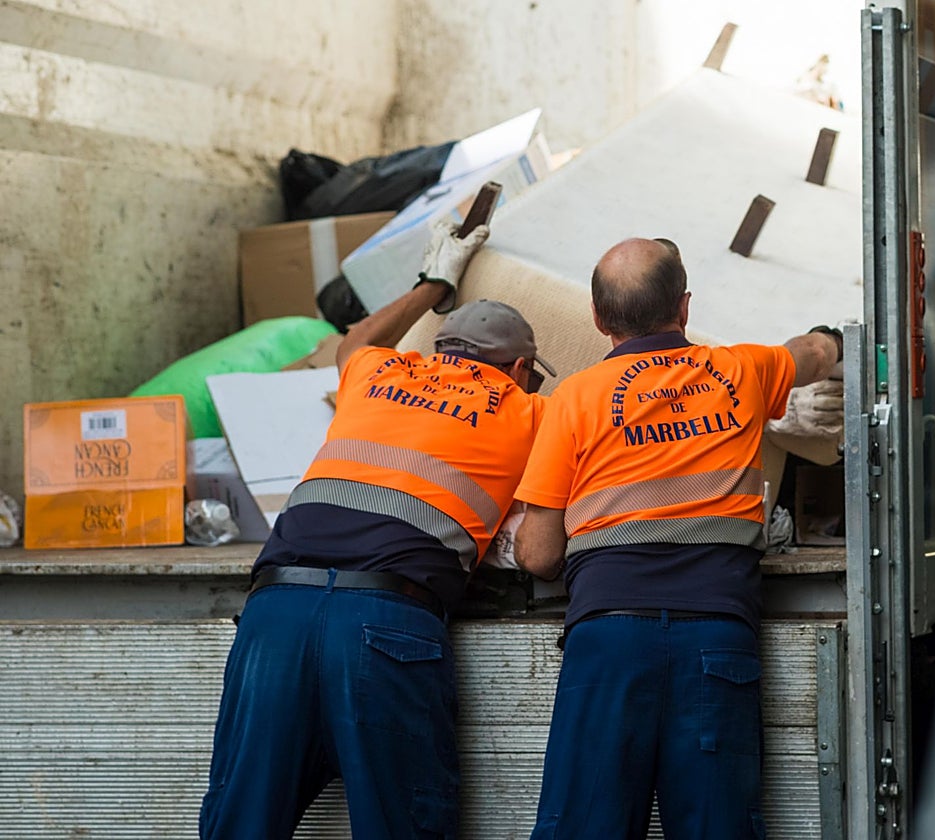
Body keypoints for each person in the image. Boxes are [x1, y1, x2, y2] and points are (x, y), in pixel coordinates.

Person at [199, 220, 556, 840]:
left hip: (276, 613)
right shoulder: (529, 409)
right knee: (404, 823)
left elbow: (356, 340)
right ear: (521, 367)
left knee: (242, 821)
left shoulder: (375, 376)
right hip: (386, 621)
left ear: (441, 348)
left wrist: (431, 285)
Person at [513, 236, 842, 839]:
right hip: (717, 637)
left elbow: (538, 555)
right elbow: (810, 353)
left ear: (597, 318)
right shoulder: (743, 369)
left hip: (608, 642)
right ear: (684, 308)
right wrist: (834, 340)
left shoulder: (574, 399)